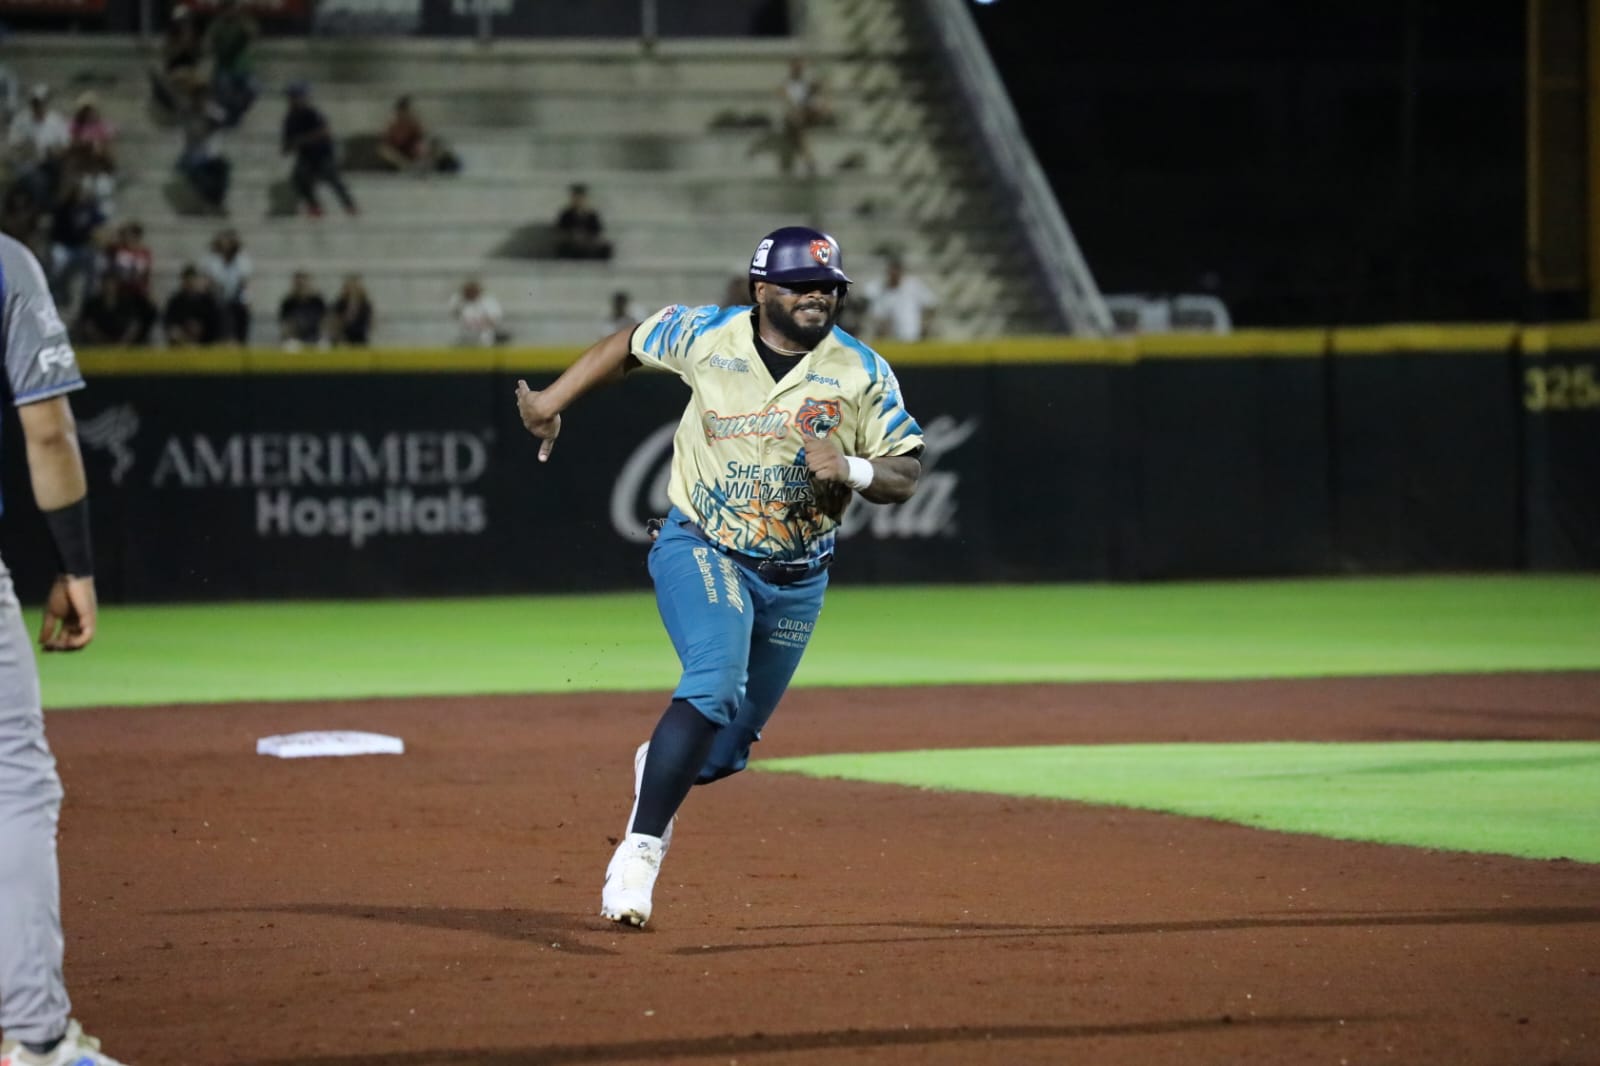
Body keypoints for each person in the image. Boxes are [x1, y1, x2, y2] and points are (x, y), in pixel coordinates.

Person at [513, 226, 924, 928]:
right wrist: (550, 402)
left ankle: (660, 763)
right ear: (761, 289)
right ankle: (639, 855)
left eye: (829, 287)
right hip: (704, 546)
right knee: (714, 682)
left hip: (798, 577)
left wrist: (853, 468)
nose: (818, 296)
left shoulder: (861, 370)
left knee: (725, 751)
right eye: (800, 285)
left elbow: (906, 471)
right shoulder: (707, 334)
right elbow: (630, 342)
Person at [0, 232, 126, 1065]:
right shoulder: (5, 264)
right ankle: (39, 1039)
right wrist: (74, 563)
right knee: (13, 778)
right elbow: (48, 432)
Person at [281, 82, 357, 219]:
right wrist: (289, 146)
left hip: (323, 154)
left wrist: (303, 140)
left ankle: (349, 206)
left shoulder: (312, 113)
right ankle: (314, 206)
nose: (294, 100)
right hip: (306, 156)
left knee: (332, 178)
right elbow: (287, 143)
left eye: (297, 97)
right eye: (292, 97)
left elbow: (324, 131)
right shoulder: (290, 118)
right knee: (299, 178)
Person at [862, 256, 938, 342]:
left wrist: (925, 325)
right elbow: (878, 316)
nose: (894, 274)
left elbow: (931, 305)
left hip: (914, 338)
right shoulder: (882, 291)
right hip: (892, 341)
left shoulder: (914, 286)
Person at [377, 95, 454, 175]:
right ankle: (410, 167)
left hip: (416, 154)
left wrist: (423, 147)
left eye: (408, 111)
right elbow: (386, 146)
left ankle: (425, 166)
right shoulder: (394, 126)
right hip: (400, 157)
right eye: (403, 111)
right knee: (384, 150)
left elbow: (422, 139)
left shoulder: (414, 124)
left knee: (434, 145)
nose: (407, 114)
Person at [198, 227, 250, 343]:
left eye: (231, 243)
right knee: (209, 305)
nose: (228, 246)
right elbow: (207, 282)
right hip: (215, 298)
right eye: (226, 243)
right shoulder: (213, 260)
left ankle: (238, 341)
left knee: (241, 307)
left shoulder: (242, 260)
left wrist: (245, 300)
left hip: (235, 299)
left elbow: (244, 285)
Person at [73, 273, 145, 346]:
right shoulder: (92, 304)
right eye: (106, 284)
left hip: (122, 346)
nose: (109, 287)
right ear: (102, 285)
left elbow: (135, 325)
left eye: (112, 284)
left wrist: (122, 344)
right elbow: (87, 325)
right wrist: (101, 342)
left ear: (117, 285)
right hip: (96, 346)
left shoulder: (126, 304)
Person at [162, 264, 222, 346]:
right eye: (187, 280)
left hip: (204, 344)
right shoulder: (175, 301)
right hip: (181, 343)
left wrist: (201, 329)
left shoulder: (207, 301)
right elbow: (168, 322)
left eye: (192, 280)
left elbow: (215, 324)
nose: (190, 284)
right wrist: (176, 330)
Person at [553, 183, 612, 260]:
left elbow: (597, 231)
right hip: (571, 243)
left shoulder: (592, 215)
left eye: (581, 198)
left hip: (588, 242)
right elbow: (560, 231)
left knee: (605, 247)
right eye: (576, 198)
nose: (579, 200)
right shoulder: (566, 214)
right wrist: (572, 235)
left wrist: (587, 237)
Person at [277, 270, 327, 349]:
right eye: (299, 284)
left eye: (303, 284)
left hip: (316, 337)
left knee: (324, 346)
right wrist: (291, 336)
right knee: (290, 346)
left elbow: (325, 321)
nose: (301, 287)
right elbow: (285, 324)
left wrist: (322, 335)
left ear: (308, 284)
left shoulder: (317, 301)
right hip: (295, 339)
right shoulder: (288, 303)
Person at [450, 276, 506, 346]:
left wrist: (482, 323)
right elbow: (454, 314)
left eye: (473, 290)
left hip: (484, 337)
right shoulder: (459, 301)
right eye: (469, 291)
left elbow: (495, 319)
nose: (471, 293)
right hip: (464, 337)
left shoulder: (488, 302)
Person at [330, 273, 372, 345]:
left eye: (355, 286)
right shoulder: (340, 304)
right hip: (343, 337)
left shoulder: (365, 304)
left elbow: (369, 322)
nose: (353, 289)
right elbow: (336, 321)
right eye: (351, 286)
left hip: (360, 338)